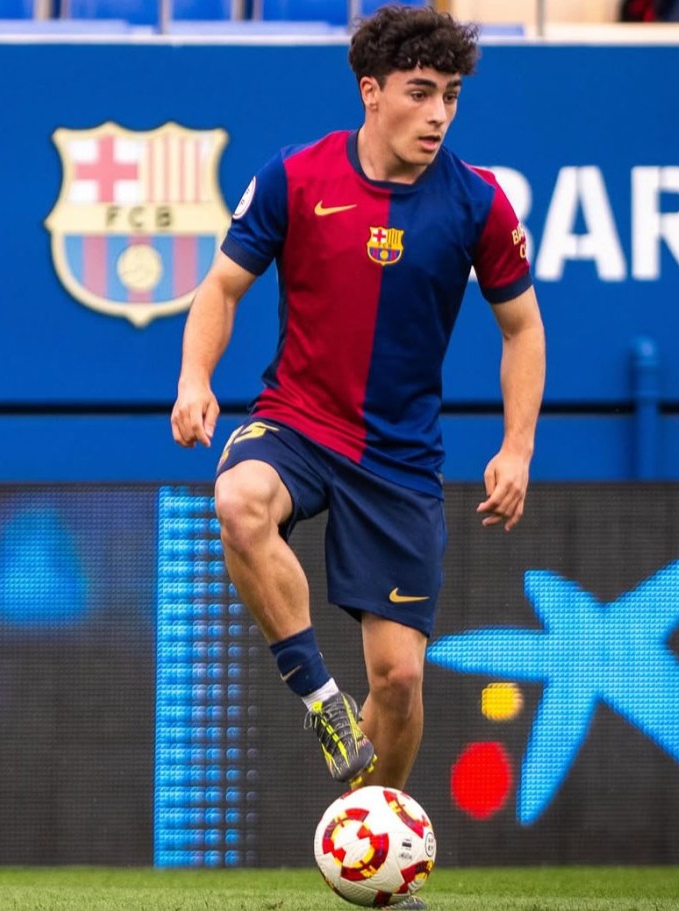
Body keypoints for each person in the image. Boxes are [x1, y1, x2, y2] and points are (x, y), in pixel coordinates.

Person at [171, 5, 545, 890]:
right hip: (298, 421)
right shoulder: (295, 176)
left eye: (450, 95)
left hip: (401, 459)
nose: (438, 113)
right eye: (420, 92)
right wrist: (194, 378)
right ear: (371, 92)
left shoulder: (479, 202)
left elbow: (523, 329)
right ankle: (317, 695)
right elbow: (221, 287)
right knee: (238, 499)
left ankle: (374, 856)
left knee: (401, 679)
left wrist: (517, 446)